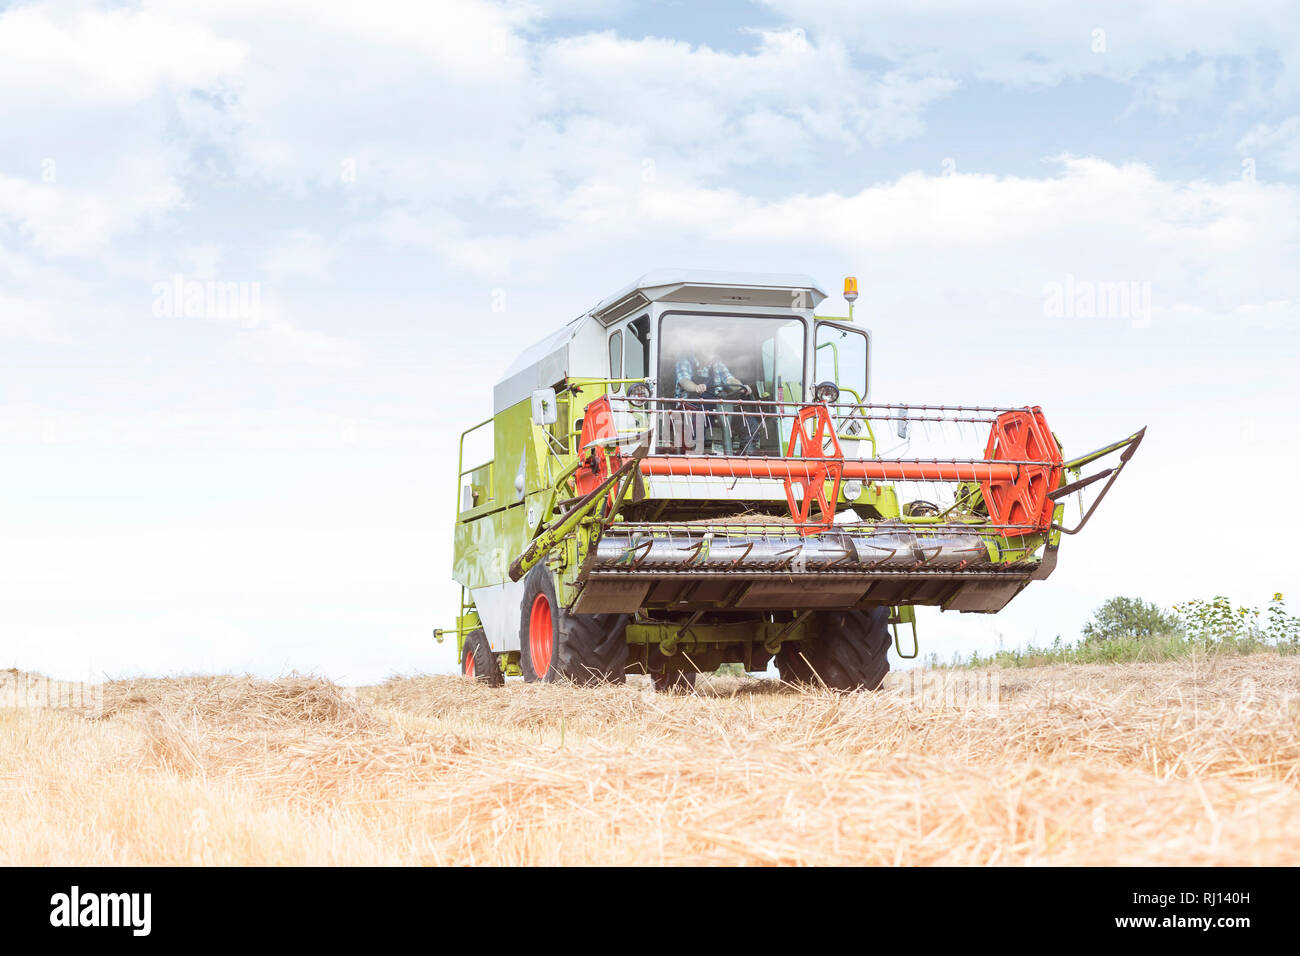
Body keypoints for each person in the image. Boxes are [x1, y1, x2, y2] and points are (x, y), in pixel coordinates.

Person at [666, 348, 751, 454]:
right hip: (689, 408)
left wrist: (741, 387)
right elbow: (684, 381)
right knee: (697, 420)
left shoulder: (716, 362)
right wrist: (696, 387)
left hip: (715, 408)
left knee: (748, 422)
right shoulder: (684, 360)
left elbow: (729, 379)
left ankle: (745, 457)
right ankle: (693, 457)